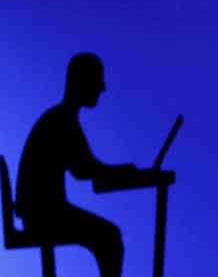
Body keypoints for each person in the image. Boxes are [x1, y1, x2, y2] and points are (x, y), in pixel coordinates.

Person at [15, 53, 140, 277]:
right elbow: (84, 170)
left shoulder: (61, 118)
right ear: (82, 82)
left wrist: (122, 172)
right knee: (110, 238)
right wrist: (126, 173)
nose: (101, 89)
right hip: (44, 215)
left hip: (40, 212)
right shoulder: (62, 120)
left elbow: (85, 168)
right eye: (96, 82)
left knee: (108, 237)